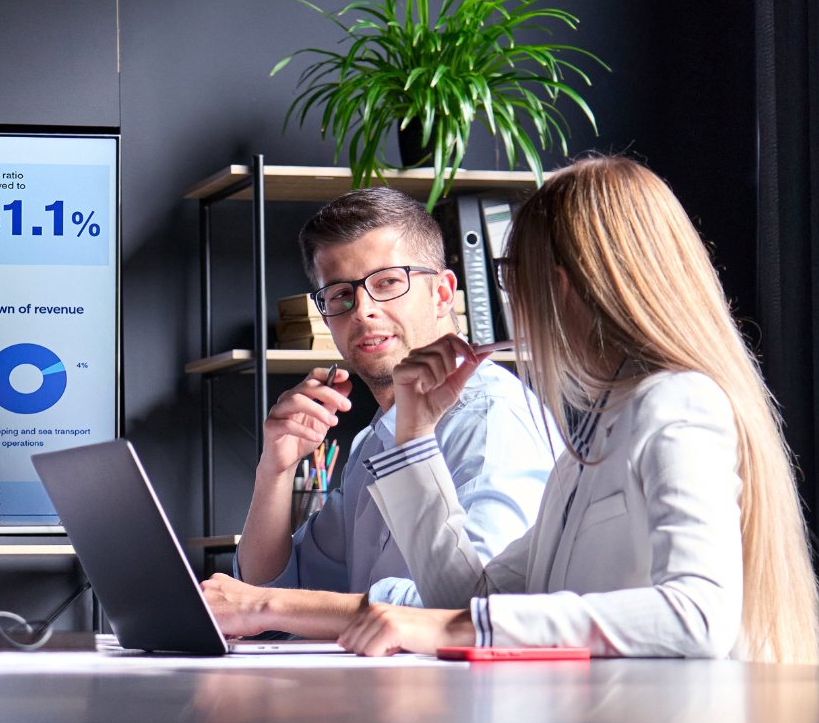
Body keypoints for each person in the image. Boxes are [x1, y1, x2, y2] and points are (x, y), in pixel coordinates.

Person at [337, 157, 819, 663]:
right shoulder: (591, 440)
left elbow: (699, 615)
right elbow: (469, 602)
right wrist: (415, 433)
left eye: (512, 276)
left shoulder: (678, 403)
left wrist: (468, 627)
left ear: (561, 286)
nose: (512, 301)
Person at [201, 187, 557, 639]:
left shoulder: (491, 422)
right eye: (340, 294)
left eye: (388, 282)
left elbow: (475, 612)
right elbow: (275, 595)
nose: (363, 311)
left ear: (443, 294)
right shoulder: (374, 441)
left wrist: (265, 606)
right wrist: (275, 472)